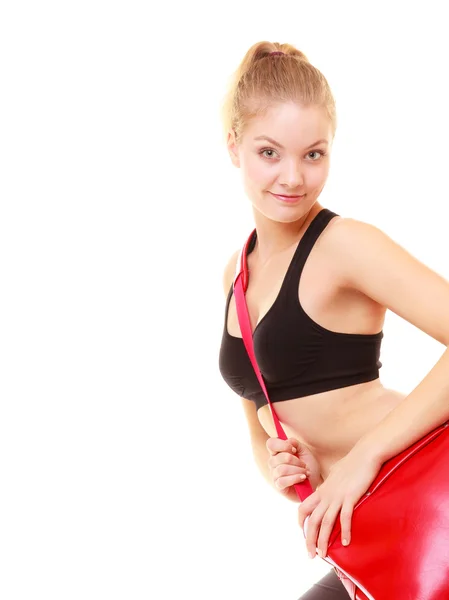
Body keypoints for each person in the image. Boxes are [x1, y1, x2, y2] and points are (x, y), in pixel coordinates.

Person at [217, 41, 449, 599]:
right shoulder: (235, 271)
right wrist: (288, 472)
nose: (293, 177)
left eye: (313, 154)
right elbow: (257, 423)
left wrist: (365, 455)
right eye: (269, 152)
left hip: (427, 501)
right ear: (235, 148)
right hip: (365, 529)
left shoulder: (345, 245)